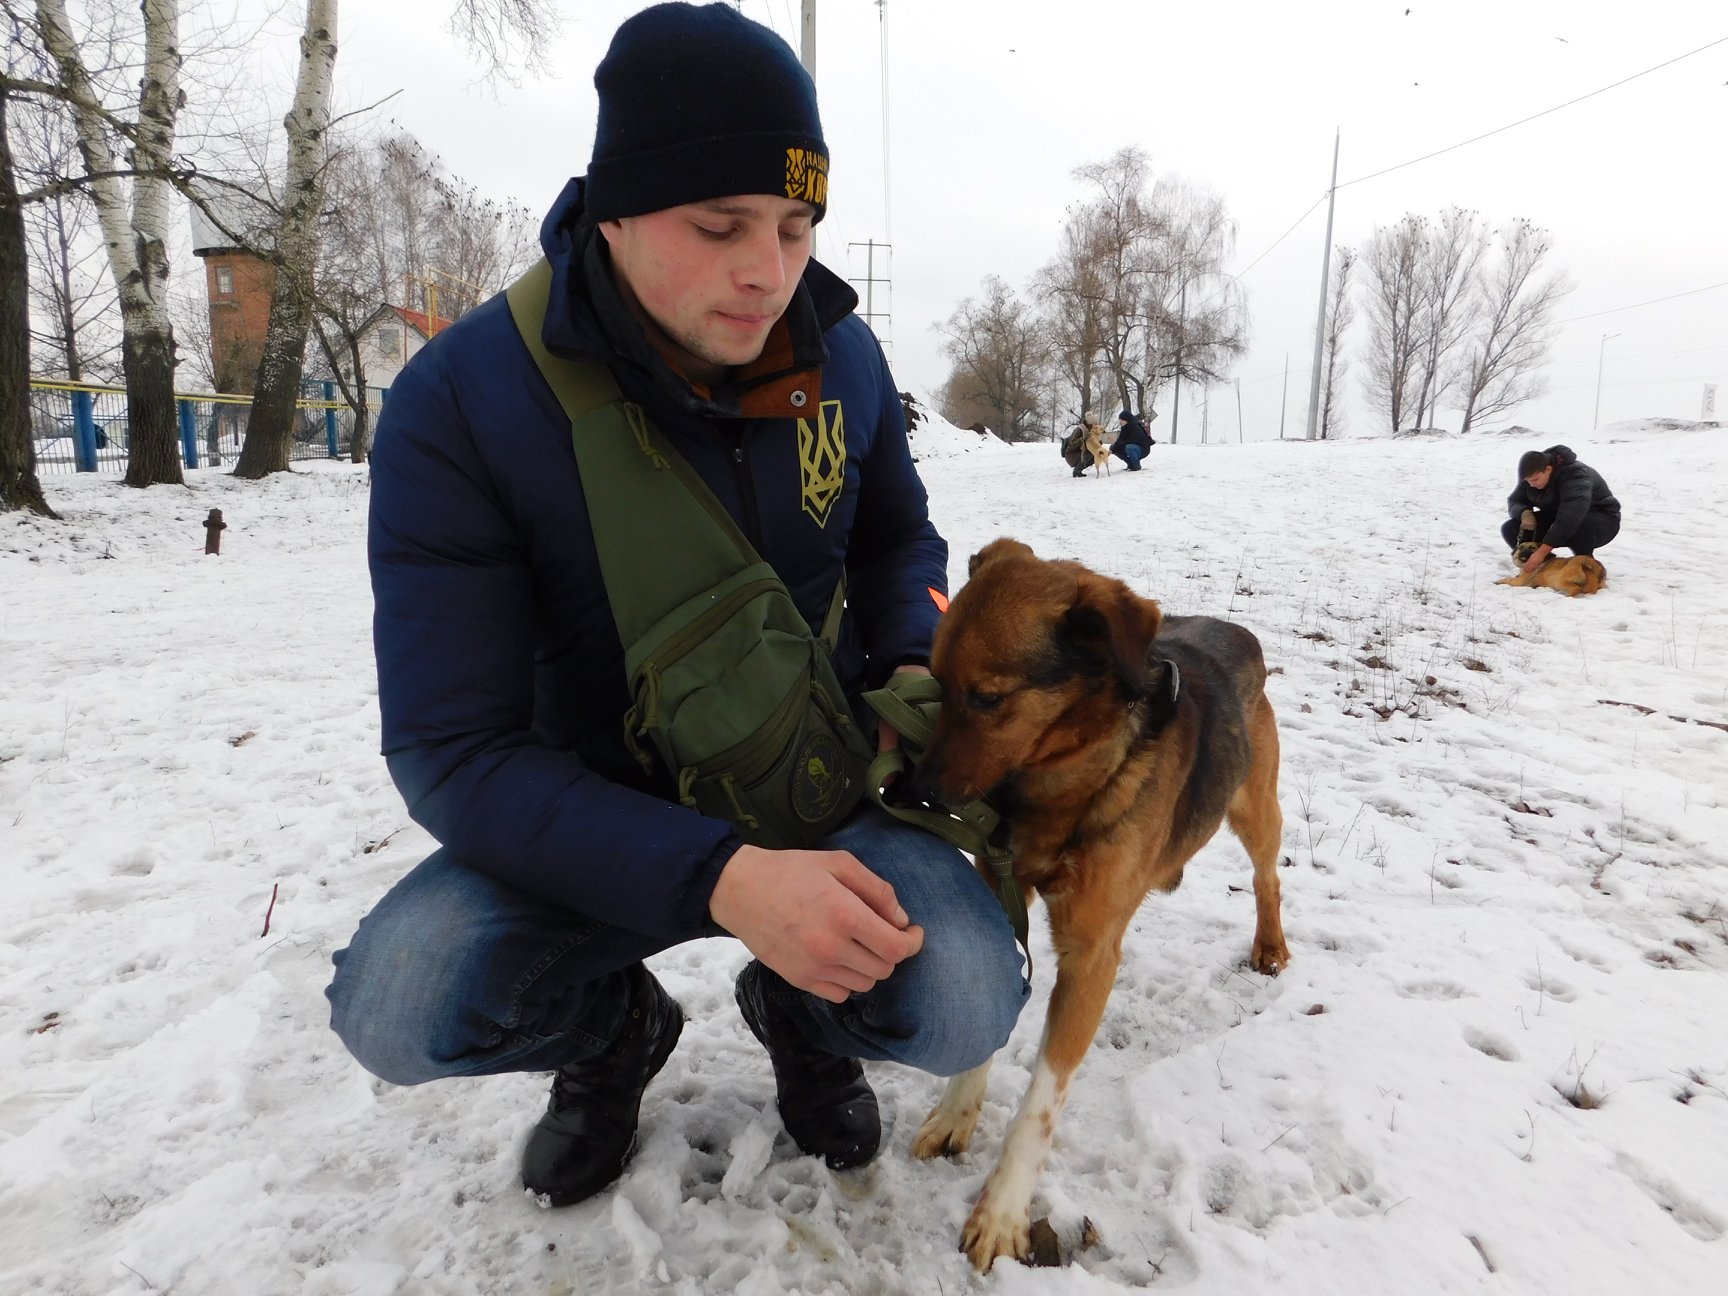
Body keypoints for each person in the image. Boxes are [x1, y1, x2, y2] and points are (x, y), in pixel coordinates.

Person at [326, 1, 1025, 1212]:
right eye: (720, 225)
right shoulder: (464, 402)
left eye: (796, 226)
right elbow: (453, 750)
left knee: (966, 996)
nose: (770, 271)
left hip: (819, 784)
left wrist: (913, 666)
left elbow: (898, 542)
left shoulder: (844, 357)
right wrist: (720, 876)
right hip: (590, 814)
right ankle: (613, 1034)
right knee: (400, 1003)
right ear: (615, 209)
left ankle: (801, 1012)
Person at [1501, 444, 1621, 573]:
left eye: (1535, 480)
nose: (1531, 485)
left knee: (1580, 527)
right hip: (1559, 516)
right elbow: (1515, 500)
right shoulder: (1532, 473)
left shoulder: (1575, 475)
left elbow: (1570, 518)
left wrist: (1541, 552)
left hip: (1602, 519)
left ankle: (1586, 564)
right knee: (1510, 528)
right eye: (1528, 481)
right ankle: (1542, 567)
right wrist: (1524, 513)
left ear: (1548, 469)